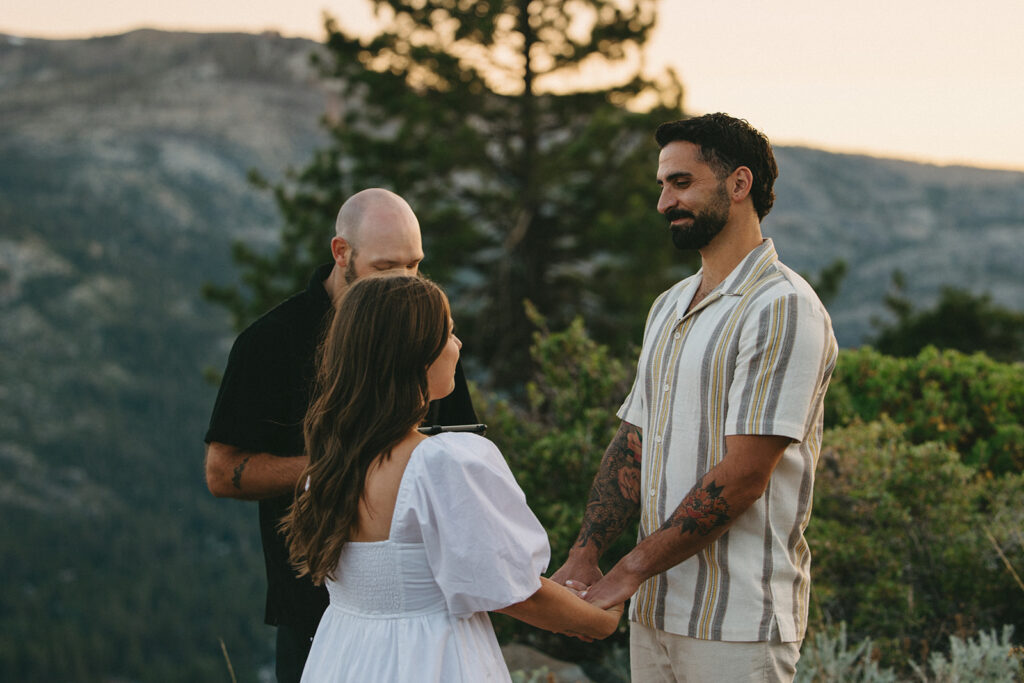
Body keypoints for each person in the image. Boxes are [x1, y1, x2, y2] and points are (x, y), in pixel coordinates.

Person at [551, 113, 838, 682]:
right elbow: (635, 439)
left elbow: (744, 476)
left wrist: (629, 570)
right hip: (653, 615)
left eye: (681, 183)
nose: (663, 202)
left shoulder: (781, 307)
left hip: (737, 626)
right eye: (662, 185)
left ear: (739, 184)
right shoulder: (669, 304)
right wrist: (586, 553)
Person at [281, 274, 622, 681]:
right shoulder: (440, 464)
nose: (457, 346)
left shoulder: (327, 470)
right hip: (428, 661)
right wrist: (598, 620)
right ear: (414, 355)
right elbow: (513, 593)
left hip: (343, 658)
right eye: (448, 333)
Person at [203, 189, 478, 683]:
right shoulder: (271, 342)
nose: (403, 282)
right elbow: (223, 472)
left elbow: (458, 444)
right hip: (313, 611)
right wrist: (344, 464)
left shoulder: (428, 336)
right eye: (386, 266)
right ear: (341, 253)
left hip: (424, 614)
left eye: (414, 267)